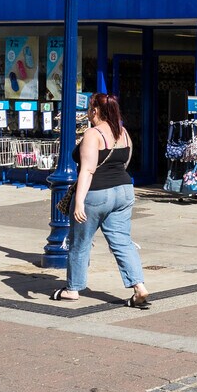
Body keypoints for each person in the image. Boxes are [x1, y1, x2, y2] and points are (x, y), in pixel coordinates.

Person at [52, 93, 150, 308]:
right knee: (122, 241)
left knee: (80, 242)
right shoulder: (123, 132)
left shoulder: (93, 134)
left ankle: (72, 289)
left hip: (97, 193)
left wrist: (79, 202)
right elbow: (125, 161)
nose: (88, 112)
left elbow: (87, 170)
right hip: (124, 191)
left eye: (89, 108)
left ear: (95, 111)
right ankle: (139, 286)